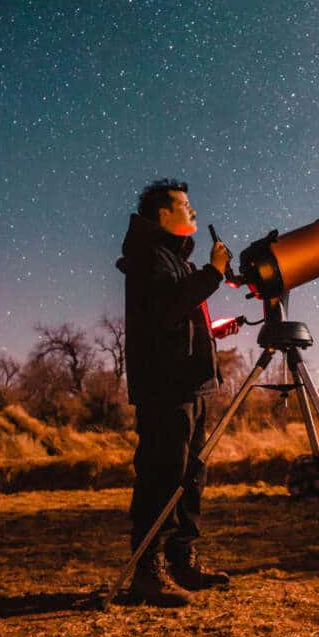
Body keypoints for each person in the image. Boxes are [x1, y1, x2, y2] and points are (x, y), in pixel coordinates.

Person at [117, 178, 240, 604]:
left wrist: (215, 327)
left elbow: (180, 315)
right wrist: (214, 272)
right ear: (162, 214)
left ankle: (181, 560)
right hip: (166, 387)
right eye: (184, 205)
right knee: (163, 475)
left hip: (193, 383)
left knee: (192, 476)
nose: (193, 211)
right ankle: (147, 571)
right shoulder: (150, 257)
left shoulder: (173, 259)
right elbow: (169, 308)